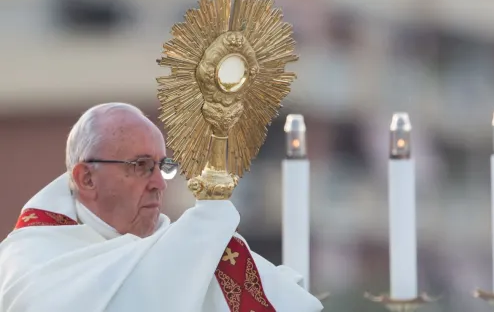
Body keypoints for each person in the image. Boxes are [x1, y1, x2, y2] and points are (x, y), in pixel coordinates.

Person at [0, 102, 323, 312]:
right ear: (86, 178)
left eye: (162, 165)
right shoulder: (31, 258)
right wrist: (202, 230)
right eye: (140, 165)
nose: (159, 182)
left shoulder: (200, 255)